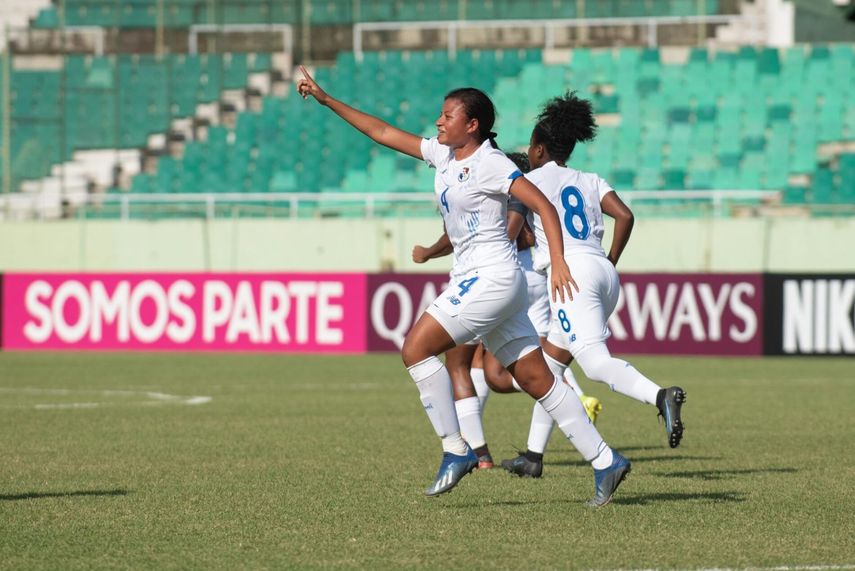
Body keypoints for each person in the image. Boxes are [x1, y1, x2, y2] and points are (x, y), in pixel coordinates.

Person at [297, 67, 630, 506]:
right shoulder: (443, 155)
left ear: (471, 125)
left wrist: (560, 265)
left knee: (415, 350)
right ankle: (606, 460)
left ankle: (456, 450)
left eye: (447, 115)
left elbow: (543, 205)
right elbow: (380, 131)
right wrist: (326, 99)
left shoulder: (490, 163)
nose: (439, 122)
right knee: (536, 378)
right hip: (491, 280)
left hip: (490, 278)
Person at [501, 91, 687, 479]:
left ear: (537, 149)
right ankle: (532, 457)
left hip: (570, 276)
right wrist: (610, 261)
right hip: (601, 270)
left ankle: (660, 396)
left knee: (595, 364)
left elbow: (516, 229)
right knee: (549, 368)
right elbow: (625, 215)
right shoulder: (588, 179)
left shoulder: (529, 181)